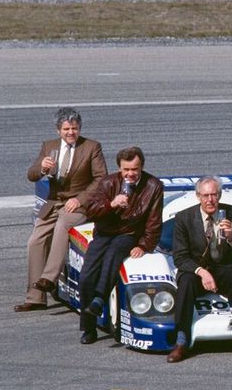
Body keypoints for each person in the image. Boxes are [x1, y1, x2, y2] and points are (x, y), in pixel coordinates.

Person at [15, 108, 107, 312]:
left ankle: (49, 278)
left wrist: (80, 198)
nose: (71, 132)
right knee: (35, 241)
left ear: (79, 128)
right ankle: (35, 297)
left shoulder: (92, 147)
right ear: (59, 131)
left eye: (74, 128)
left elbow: (101, 178)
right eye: (66, 129)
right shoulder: (49, 146)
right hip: (54, 203)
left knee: (64, 224)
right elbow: (31, 175)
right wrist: (42, 168)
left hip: (79, 204)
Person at [167, 176, 232, 363]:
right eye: (205, 195)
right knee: (185, 283)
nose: (210, 200)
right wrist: (202, 272)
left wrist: (231, 238)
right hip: (196, 270)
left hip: (224, 266)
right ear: (198, 197)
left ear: (219, 195)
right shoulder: (184, 218)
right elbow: (180, 257)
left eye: (214, 195)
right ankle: (181, 340)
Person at [79, 147, 163, 344]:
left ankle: (99, 299)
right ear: (119, 168)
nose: (130, 174)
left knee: (115, 253)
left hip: (130, 233)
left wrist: (144, 245)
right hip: (104, 233)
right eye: (126, 170)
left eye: (134, 169)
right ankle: (88, 327)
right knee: (86, 277)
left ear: (141, 167)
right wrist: (111, 205)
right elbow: (90, 211)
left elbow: (154, 222)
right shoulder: (108, 182)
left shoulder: (153, 185)